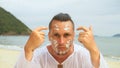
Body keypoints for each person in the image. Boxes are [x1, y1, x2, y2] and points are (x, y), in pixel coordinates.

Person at [15, 13, 108, 68]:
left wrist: (94, 49)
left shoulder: (84, 55)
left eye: (66, 35)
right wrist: (28, 49)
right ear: (49, 36)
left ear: (73, 36)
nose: (61, 41)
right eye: (56, 35)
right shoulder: (37, 56)